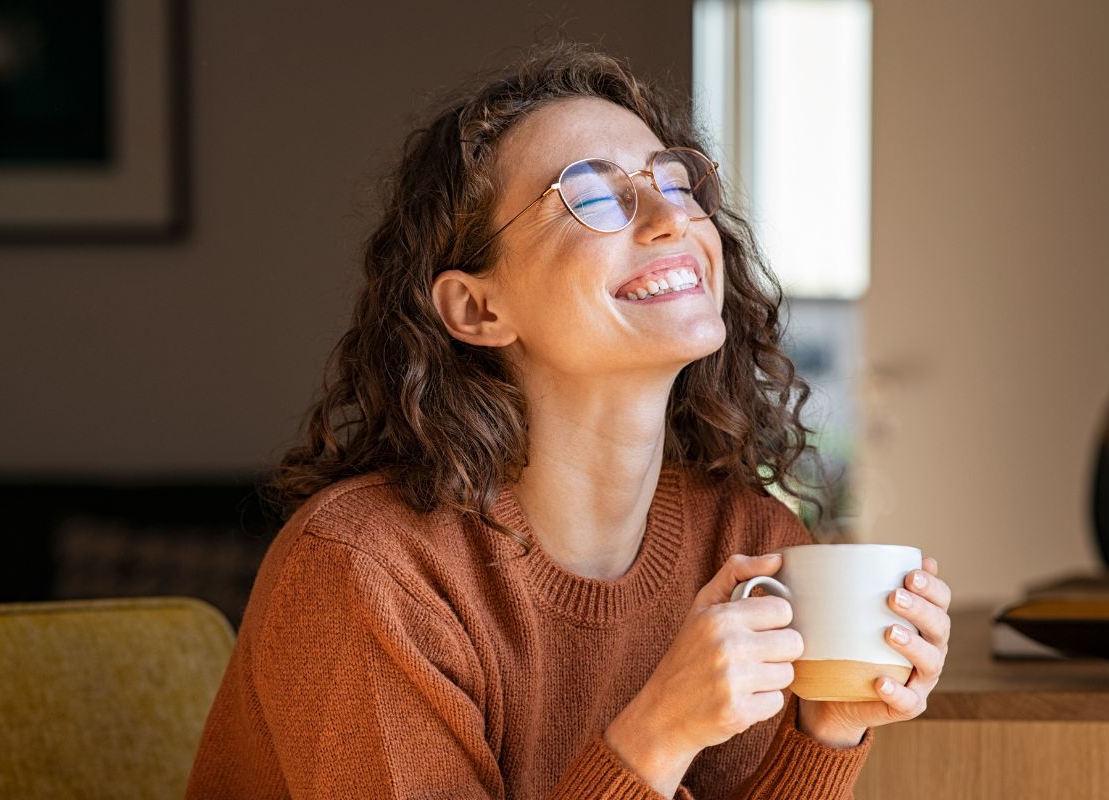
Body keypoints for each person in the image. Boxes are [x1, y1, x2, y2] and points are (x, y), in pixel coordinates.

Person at [185, 41, 952, 800]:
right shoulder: (369, 572)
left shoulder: (750, 548)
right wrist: (658, 735)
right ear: (478, 308)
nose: (667, 220)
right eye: (590, 194)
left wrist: (826, 732)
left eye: (675, 183)